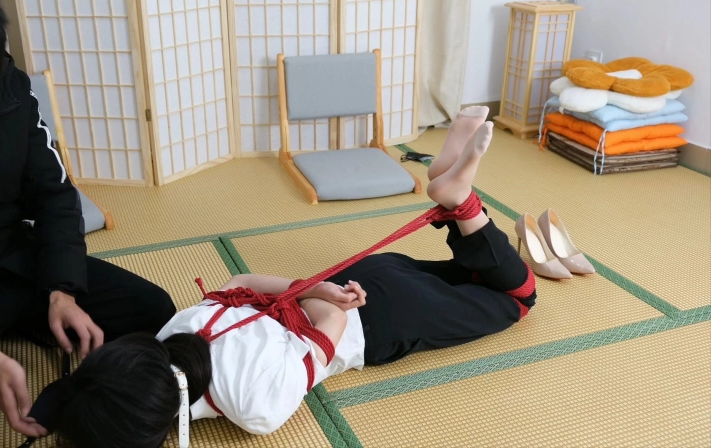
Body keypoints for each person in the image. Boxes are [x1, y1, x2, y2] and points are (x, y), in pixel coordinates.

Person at [47, 108, 538, 448]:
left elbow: (332, 322)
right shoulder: (171, 333)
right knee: (476, 276)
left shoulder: (254, 406)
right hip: (353, 276)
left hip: (376, 317)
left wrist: (321, 298)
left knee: (520, 299)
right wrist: (317, 286)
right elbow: (240, 278)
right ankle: (453, 187)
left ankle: (461, 201)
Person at [0, 0, 176, 446]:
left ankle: (33, 319)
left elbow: (54, 194)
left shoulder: (9, 88)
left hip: (13, 259)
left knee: (153, 310)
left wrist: (62, 290)